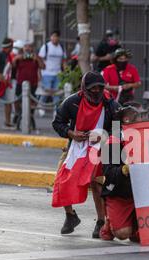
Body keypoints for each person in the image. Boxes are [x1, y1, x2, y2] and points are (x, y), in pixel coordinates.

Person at [52, 71, 120, 238]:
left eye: (99, 88)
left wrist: (103, 135)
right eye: (93, 89)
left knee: (95, 182)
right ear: (84, 89)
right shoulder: (72, 102)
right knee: (62, 181)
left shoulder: (110, 103)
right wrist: (70, 133)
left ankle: (101, 221)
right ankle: (70, 216)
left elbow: (119, 127)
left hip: (101, 147)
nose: (96, 92)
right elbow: (57, 122)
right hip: (76, 146)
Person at [99, 104, 143, 242]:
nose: (141, 121)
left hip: (140, 193)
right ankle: (108, 225)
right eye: (138, 118)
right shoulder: (110, 142)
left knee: (144, 236)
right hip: (118, 193)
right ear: (126, 120)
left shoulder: (145, 139)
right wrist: (125, 169)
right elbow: (108, 174)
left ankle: (135, 227)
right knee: (123, 233)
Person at [13, 41, 46, 131]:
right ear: (23, 48)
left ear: (32, 48)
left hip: (33, 84)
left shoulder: (36, 57)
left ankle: (30, 117)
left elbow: (43, 67)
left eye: (29, 47)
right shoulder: (19, 57)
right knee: (17, 100)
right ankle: (18, 115)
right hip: (20, 83)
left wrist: (37, 59)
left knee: (32, 103)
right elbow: (12, 66)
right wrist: (16, 59)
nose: (27, 48)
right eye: (25, 47)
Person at [38, 31, 67, 116]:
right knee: (46, 92)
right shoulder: (46, 46)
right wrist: (39, 72)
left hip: (58, 73)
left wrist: (65, 71)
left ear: (58, 38)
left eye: (56, 36)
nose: (55, 38)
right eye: (53, 36)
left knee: (57, 93)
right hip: (47, 73)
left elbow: (63, 60)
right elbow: (39, 59)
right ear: (51, 37)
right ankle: (41, 106)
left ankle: (56, 110)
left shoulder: (61, 47)